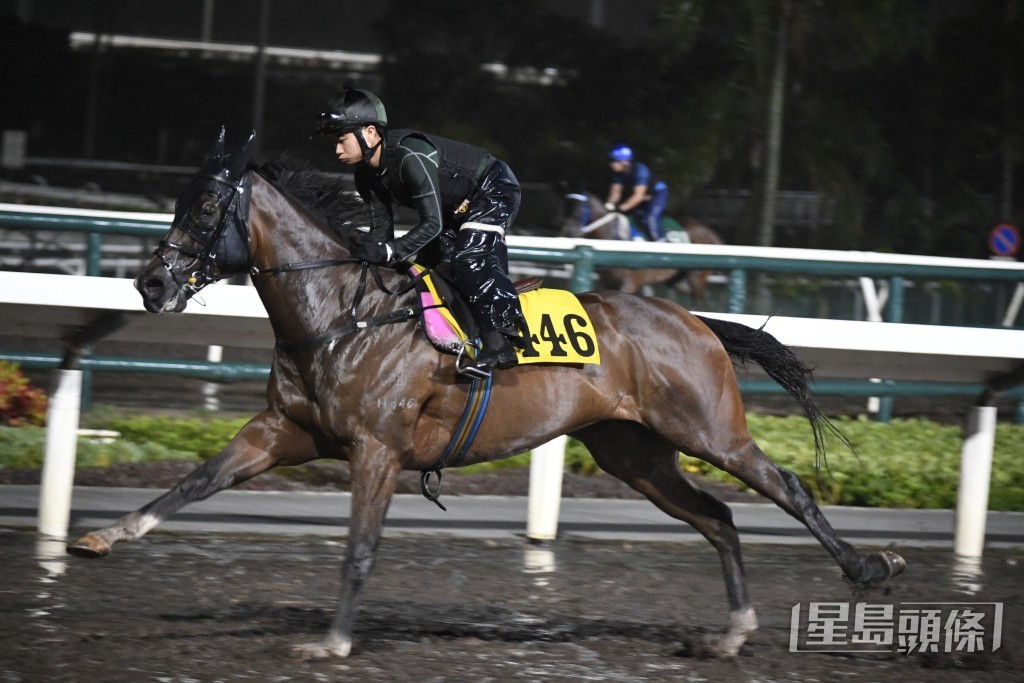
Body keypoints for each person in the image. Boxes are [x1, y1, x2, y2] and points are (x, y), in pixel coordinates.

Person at [313, 85, 528, 377]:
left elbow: (432, 223)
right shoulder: (366, 176)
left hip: (491, 189)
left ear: (371, 133)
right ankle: (462, 338)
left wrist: (390, 250)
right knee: (425, 266)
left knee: (468, 260)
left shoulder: (409, 154)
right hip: (455, 208)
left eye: (341, 139)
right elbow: (382, 232)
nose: (337, 150)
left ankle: (501, 342)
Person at [604, 143, 669, 242]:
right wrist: (609, 205)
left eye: (613, 161)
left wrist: (620, 208)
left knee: (651, 218)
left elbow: (638, 196)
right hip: (644, 196)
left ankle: (662, 243)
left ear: (623, 162)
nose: (611, 164)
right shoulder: (618, 174)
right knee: (634, 217)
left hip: (658, 193)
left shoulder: (639, 170)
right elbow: (615, 193)